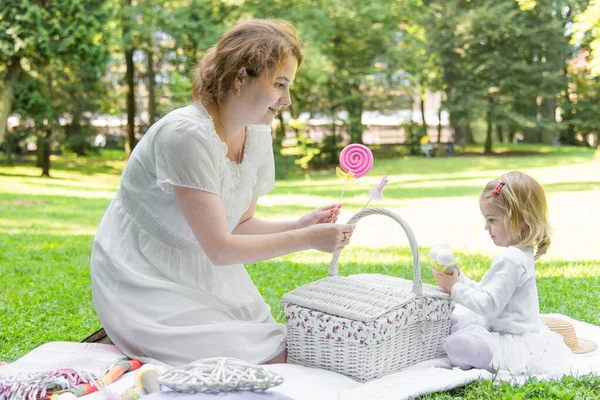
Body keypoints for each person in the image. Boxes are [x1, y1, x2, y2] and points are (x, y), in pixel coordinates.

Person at [89, 19, 355, 367]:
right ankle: (131, 331)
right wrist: (307, 238)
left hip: (200, 269)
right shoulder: (185, 134)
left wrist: (298, 224)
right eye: (279, 84)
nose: (287, 99)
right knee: (253, 360)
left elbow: (240, 225)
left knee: (282, 350)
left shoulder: (257, 133)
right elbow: (220, 248)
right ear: (239, 79)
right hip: (140, 273)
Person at [432, 171, 570, 374]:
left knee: (458, 344)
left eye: (492, 220)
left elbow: (489, 305)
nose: (486, 227)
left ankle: (473, 357)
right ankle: (472, 355)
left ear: (520, 219)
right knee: (456, 323)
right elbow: (488, 292)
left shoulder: (511, 259)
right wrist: (460, 279)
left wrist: (454, 288)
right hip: (500, 329)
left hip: (508, 339)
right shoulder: (520, 253)